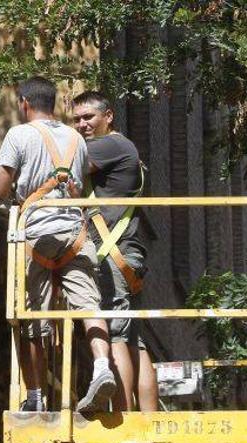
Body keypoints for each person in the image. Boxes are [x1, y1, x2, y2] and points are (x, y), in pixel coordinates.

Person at [0, 77, 116, 413]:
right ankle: (103, 368)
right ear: (54, 104)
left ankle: (35, 395)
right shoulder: (76, 138)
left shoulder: (19, 135)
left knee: (31, 315)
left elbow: (2, 188)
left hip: (38, 236)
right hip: (76, 234)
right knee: (89, 306)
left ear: (25, 103)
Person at [72, 91, 159, 412]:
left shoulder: (109, 145)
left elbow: (66, 166)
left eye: (88, 117)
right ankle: (148, 419)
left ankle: (122, 418)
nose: (82, 125)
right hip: (125, 254)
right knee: (134, 338)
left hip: (113, 255)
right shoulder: (121, 147)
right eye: (77, 119)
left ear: (108, 116)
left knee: (116, 334)